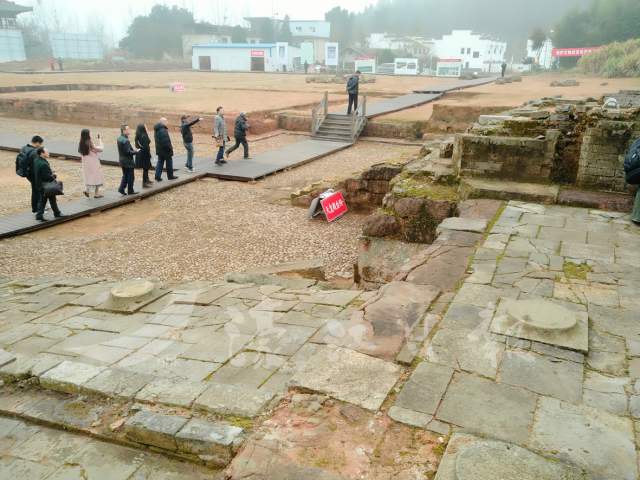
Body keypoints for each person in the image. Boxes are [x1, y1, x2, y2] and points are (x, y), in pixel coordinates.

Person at [33, 147, 63, 221]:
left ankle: (56, 213)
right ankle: (41, 215)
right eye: (47, 152)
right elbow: (47, 177)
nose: (48, 153)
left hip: (40, 184)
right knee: (44, 201)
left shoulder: (37, 160)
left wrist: (50, 172)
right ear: (42, 153)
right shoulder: (43, 164)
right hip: (46, 185)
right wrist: (54, 175)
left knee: (50, 199)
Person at [16, 135, 44, 214]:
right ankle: (37, 209)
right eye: (40, 144)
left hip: (26, 172)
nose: (40, 146)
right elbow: (36, 165)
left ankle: (35, 208)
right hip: (33, 174)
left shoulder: (24, 148)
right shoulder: (35, 152)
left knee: (35, 190)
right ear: (38, 143)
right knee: (37, 191)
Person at [78, 129, 104, 198]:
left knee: (89, 176)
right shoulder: (89, 142)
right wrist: (100, 140)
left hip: (86, 164)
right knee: (97, 176)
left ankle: (87, 190)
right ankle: (96, 193)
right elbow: (100, 149)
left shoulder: (81, 142)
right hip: (93, 162)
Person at [117, 124, 137, 195]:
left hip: (122, 160)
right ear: (124, 131)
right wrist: (136, 151)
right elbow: (128, 152)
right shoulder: (125, 140)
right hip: (128, 161)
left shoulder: (119, 138)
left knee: (125, 175)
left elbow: (125, 150)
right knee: (131, 176)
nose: (129, 130)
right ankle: (130, 191)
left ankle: (121, 189)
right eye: (128, 129)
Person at [135, 124, 153, 189]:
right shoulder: (144, 136)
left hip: (141, 154)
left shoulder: (139, 135)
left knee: (146, 168)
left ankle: (147, 180)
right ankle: (144, 183)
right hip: (145, 154)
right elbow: (146, 146)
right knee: (145, 168)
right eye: (145, 127)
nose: (146, 127)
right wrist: (149, 154)